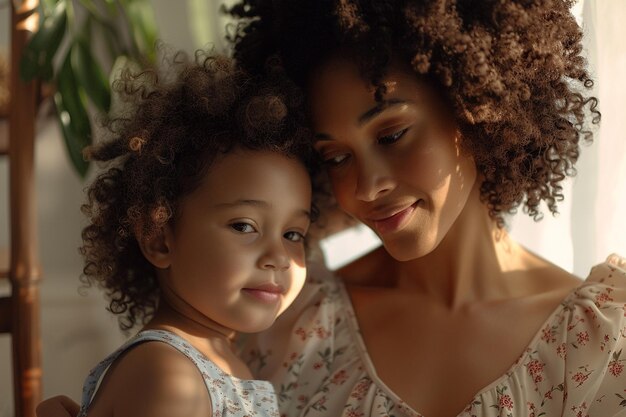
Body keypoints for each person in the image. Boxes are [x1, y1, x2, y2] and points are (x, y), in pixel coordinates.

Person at [39, 1, 626, 417]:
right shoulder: (283, 323)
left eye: (392, 135)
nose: (367, 186)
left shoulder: (603, 347)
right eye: (336, 158)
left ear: (478, 108)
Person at [38, 51, 318, 417]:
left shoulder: (217, 363)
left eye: (294, 234)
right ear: (159, 239)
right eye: (244, 226)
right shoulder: (167, 373)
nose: (279, 257)